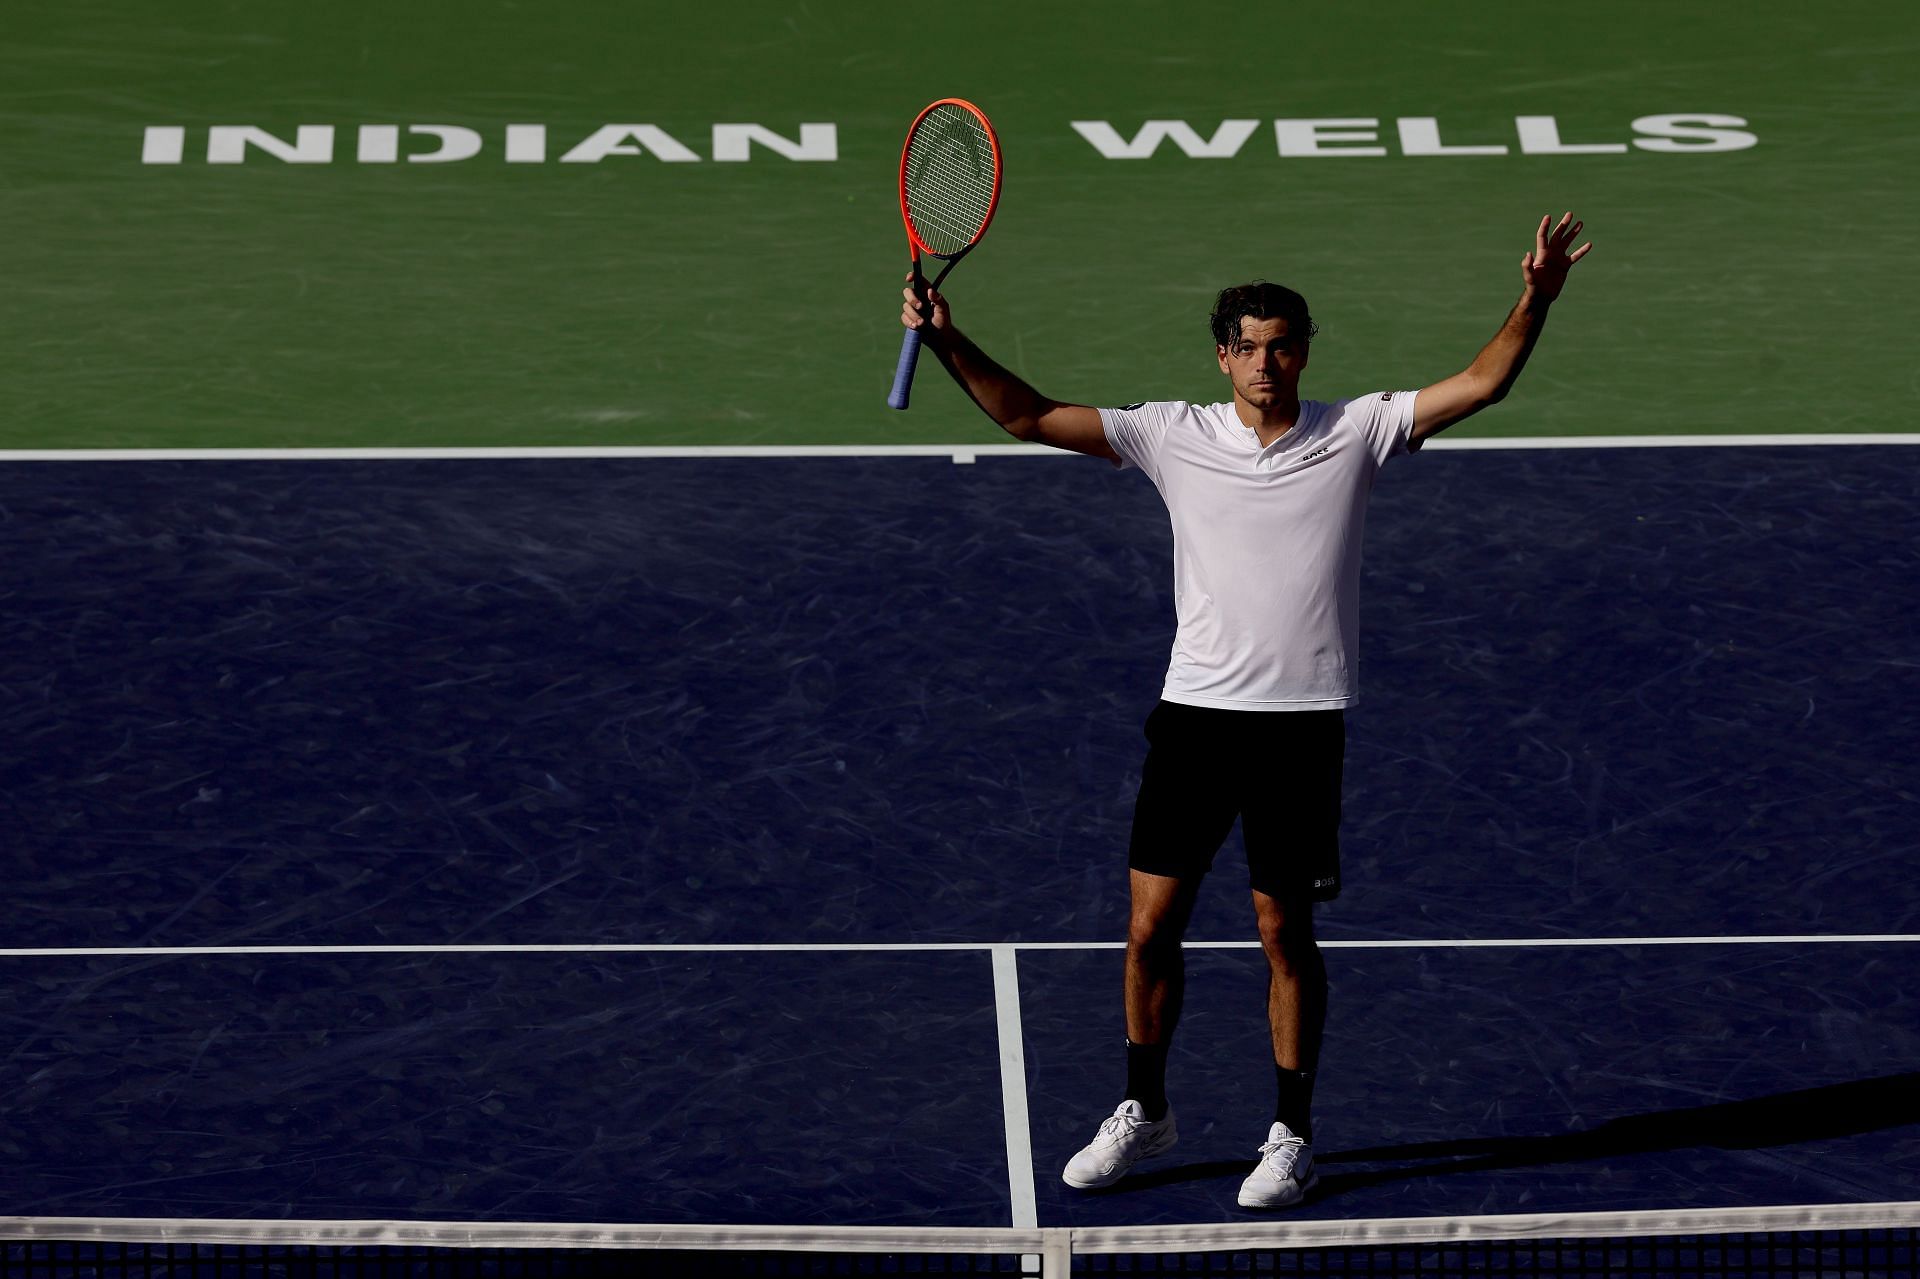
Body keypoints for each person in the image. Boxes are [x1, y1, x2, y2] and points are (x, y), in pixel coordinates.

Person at [899, 214, 1592, 1208]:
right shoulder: (1170, 434)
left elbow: (1480, 384)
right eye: (1250, 348)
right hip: (1195, 719)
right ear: (1223, 357)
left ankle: (1290, 1135)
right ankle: (1146, 1109)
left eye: (1283, 346)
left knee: (1283, 934)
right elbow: (1029, 417)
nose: (1267, 363)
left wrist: (1538, 296)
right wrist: (947, 336)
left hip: (1301, 725)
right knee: (1149, 931)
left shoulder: (1356, 432)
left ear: (1302, 352)